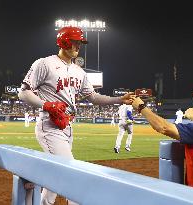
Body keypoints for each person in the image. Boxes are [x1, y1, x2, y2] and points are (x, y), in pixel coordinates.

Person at [18, 26, 134, 205]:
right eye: (75, 41)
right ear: (64, 41)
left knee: (56, 175)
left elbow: (93, 97)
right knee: (71, 173)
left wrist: (119, 99)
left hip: (67, 126)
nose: (78, 46)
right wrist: (47, 105)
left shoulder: (79, 72)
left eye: (80, 42)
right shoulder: (45, 63)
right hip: (50, 126)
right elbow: (23, 93)